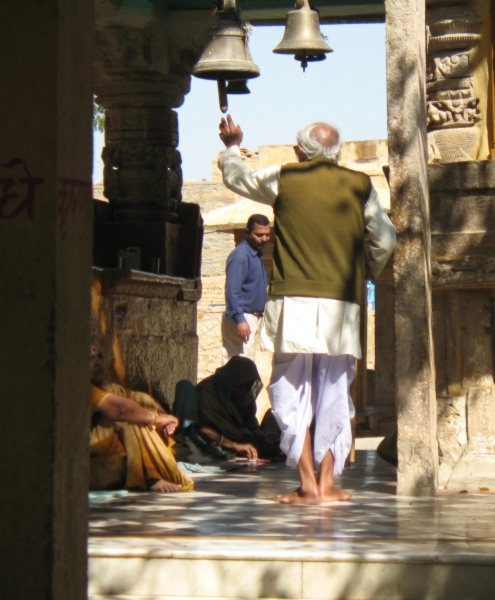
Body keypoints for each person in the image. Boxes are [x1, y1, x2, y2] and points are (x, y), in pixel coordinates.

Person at [216, 116, 397, 504]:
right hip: (341, 305)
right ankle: (328, 484)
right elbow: (385, 238)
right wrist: (367, 269)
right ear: (338, 153)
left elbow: (237, 178)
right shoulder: (360, 185)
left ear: (300, 151)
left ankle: (307, 485)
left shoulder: (286, 177)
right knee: (334, 391)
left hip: (292, 304)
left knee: (290, 391)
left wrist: (233, 146)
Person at [90, 341, 194, 493]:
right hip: (90, 468)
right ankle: (150, 476)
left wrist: (164, 417)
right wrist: (155, 419)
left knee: (140, 402)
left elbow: (139, 399)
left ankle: (155, 472)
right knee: (129, 418)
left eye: (100, 356)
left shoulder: (107, 387)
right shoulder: (79, 388)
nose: (98, 362)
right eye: (90, 358)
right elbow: (121, 409)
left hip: (112, 463)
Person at [173, 356, 281, 460]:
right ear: (232, 380)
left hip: (241, 440)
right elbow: (203, 429)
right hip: (217, 442)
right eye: (240, 385)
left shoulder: (245, 398)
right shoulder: (209, 392)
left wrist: (263, 436)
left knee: (275, 441)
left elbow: (250, 425)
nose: (243, 391)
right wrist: (235, 446)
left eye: (248, 386)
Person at [222, 213, 271, 363]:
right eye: (259, 235)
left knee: (244, 366)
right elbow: (232, 289)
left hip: (250, 316)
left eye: (267, 235)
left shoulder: (254, 255)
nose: (264, 239)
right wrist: (240, 319)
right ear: (247, 232)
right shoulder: (241, 256)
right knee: (238, 368)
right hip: (242, 317)